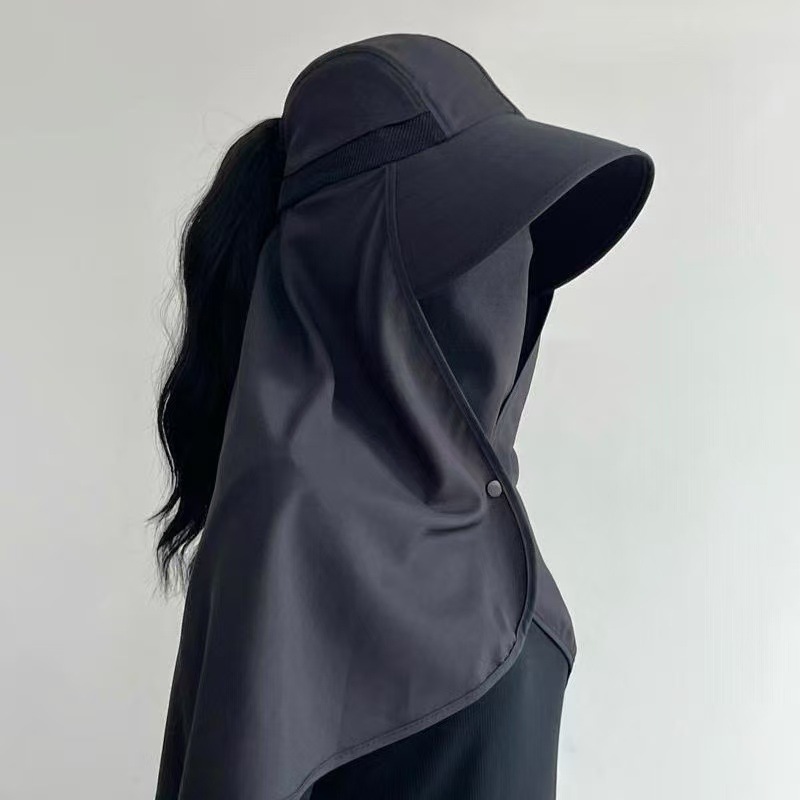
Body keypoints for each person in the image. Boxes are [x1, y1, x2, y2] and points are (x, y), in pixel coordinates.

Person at [152, 32, 655, 800]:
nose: (517, 258)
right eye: (484, 228)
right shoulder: (291, 518)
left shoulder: (476, 502)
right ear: (372, 268)